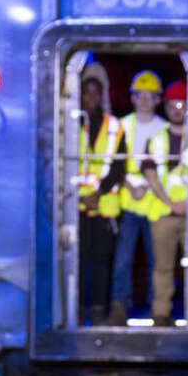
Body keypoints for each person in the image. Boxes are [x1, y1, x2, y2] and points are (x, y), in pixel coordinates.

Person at [108, 70, 167, 326]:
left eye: (150, 96)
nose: (144, 101)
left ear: (157, 100)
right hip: (129, 202)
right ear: (132, 99)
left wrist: (147, 185)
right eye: (139, 96)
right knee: (123, 259)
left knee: (157, 260)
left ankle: (158, 310)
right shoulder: (121, 125)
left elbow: (166, 166)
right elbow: (113, 161)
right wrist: (130, 184)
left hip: (155, 203)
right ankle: (119, 308)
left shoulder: (164, 128)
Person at [74, 73, 127, 325]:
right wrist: (80, 198)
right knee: (76, 260)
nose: (91, 98)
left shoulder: (114, 126)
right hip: (74, 207)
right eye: (87, 92)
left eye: (96, 93)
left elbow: (119, 166)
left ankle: (98, 310)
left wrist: (99, 193)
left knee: (102, 262)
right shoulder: (69, 123)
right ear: (79, 94)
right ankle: (77, 309)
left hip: (104, 207)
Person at [142, 80, 188, 326]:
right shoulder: (156, 139)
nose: (176, 109)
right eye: (172, 104)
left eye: (181, 104)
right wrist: (172, 204)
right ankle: (161, 314)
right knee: (162, 268)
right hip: (163, 214)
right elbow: (150, 174)